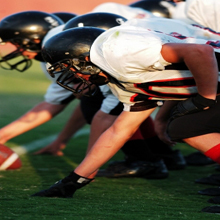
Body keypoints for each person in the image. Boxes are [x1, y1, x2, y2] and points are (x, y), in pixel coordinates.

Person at [31, 16, 220, 199]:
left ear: (84, 58)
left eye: (72, 70)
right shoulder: (120, 80)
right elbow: (118, 132)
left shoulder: (118, 51)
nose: (76, 77)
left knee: (187, 127)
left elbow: (200, 52)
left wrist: (205, 98)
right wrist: (74, 180)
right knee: (184, 127)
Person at [0, 11, 86, 156]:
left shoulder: (67, 46)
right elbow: (53, 103)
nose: (18, 51)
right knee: (90, 99)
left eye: (16, 43)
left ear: (32, 39)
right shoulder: (52, 59)